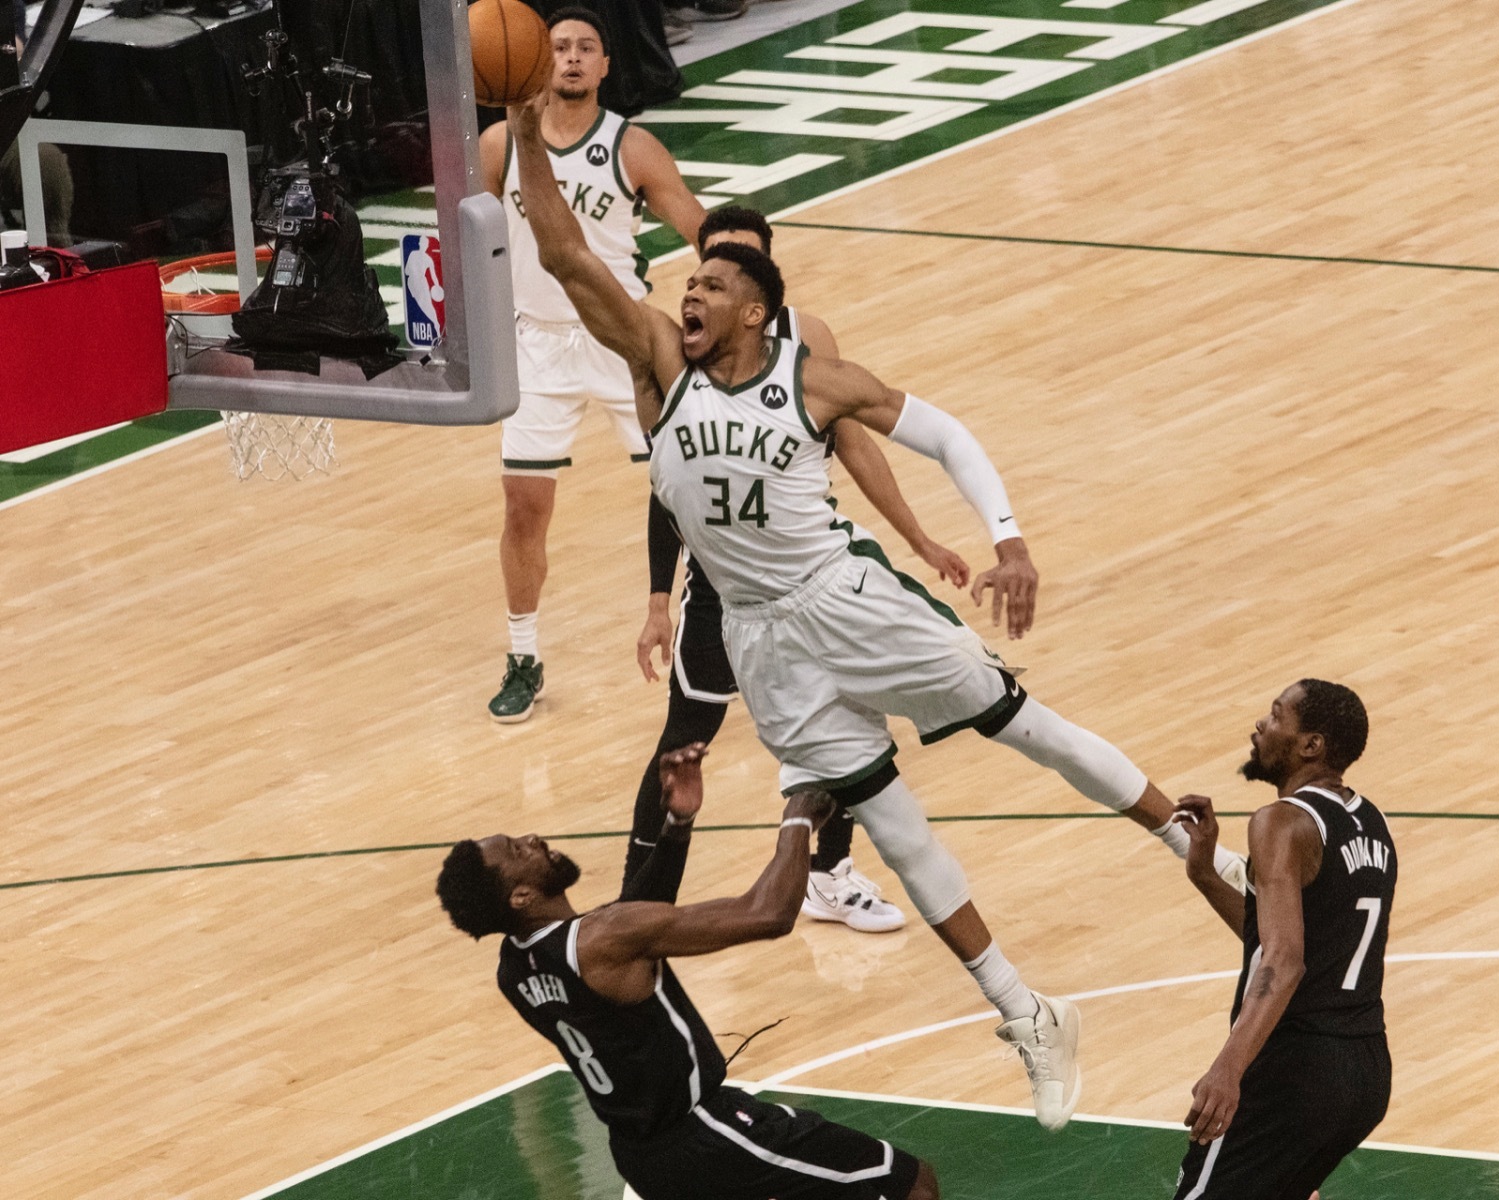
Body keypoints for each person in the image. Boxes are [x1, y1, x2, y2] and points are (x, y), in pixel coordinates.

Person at [505, 91, 1247, 1130]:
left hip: (845, 600)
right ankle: (1027, 1014)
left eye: (711, 283)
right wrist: (521, 128)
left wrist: (1008, 538)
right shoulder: (657, 368)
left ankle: (1189, 845)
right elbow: (567, 254)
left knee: (1021, 729)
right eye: (686, 280)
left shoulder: (815, 383)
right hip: (761, 637)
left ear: (754, 310)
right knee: (895, 832)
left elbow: (944, 435)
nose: (689, 293)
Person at [626, 204, 972, 936]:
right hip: (723, 594)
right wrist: (659, 599)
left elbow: (856, 444)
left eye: (739, 267)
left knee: (850, 712)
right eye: (709, 266)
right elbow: (667, 494)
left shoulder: (805, 349)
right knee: (684, 736)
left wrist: (918, 538)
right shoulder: (683, 358)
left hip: (805, 577)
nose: (715, 282)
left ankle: (830, 875)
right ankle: (637, 902)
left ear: (765, 290)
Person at [435, 745, 941, 1200]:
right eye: (518, 851)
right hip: (706, 1131)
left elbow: (635, 925)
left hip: (641, 1156)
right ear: (520, 897)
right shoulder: (603, 938)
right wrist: (799, 822)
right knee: (911, 1182)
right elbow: (767, 915)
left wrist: (677, 826)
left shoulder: (515, 970)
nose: (532, 838)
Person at [478, 6, 705, 723]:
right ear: (535, 63)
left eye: (586, 48)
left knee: (687, 492)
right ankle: (522, 655)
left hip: (625, 340)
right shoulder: (497, 146)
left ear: (608, 66)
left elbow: (703, 231)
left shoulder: (631, 148)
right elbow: (459, 241)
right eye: (559, 48)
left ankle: (716, 630)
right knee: (524, 508)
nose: (572, 58)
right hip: (534, 343)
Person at [1171, 680, 1395, 1200]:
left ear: (1310, 744)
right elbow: (1292, 943)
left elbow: (1286, 961)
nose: (1260, 726)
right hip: (1364, 1072)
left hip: (1295, 1071)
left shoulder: (1280, 822)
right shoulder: (1371, 823)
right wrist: (1205, 873)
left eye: (1275, 716)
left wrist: (1228, 1069)